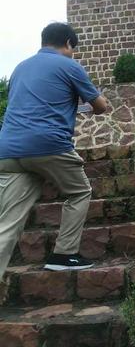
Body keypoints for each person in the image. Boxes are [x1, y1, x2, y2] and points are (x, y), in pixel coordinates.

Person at [0, 22, 107, 280]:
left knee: (8, 221)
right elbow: (100, 106)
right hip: (48, 145)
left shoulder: (19, 68)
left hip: (7, 151)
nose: (73, 53)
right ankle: (63, 255)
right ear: (69, 43)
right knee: (80, 191)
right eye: (73, 48)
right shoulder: (69, 65)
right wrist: (100, 100)